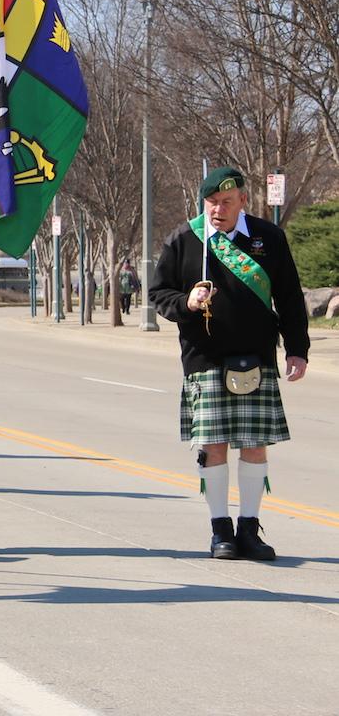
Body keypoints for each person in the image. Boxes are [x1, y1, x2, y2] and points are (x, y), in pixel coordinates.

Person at [149, 166, 308, 562]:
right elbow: (158, 293)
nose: (217, 210)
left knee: (255, 445)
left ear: (242, 201)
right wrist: (186, 302)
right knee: (213, 446)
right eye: (211, 203)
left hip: (256, 356)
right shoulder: (185, 240)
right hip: (204, 357)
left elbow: (289, 297)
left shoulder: (268, 238)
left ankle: (249, 530)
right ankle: (220, 528)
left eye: (225, 202)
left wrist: (297, 348)